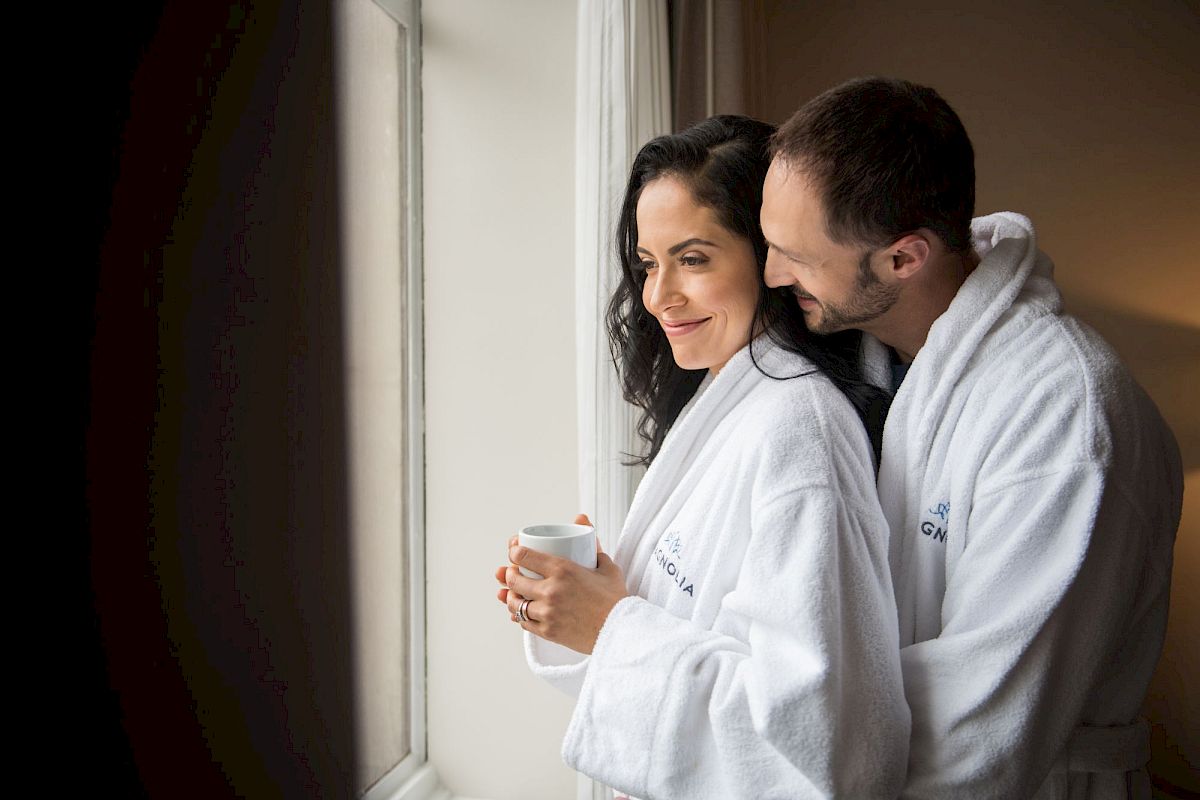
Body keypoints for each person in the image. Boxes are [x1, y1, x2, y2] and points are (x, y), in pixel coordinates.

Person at [759, 77, 1184, 799]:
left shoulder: (1066, 420)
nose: (772, 275)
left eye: (796, 255)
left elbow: (979, 737)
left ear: (904, 258)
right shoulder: (875, 368)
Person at [494, 115, 909, 799]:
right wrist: (586, 602)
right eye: (649, 264)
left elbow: (823, 744)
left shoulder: (799, 432)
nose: (659, 296)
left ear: (770, 258)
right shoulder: (729, 399)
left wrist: (610, 624)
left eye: (693, 259)